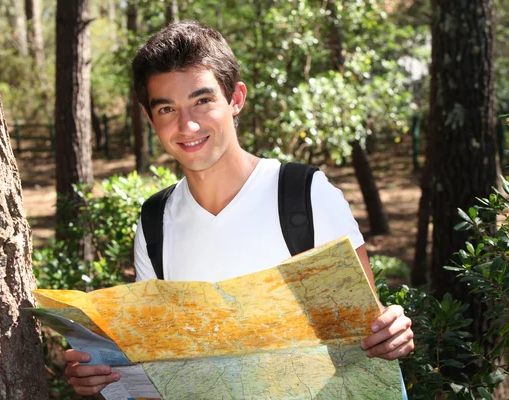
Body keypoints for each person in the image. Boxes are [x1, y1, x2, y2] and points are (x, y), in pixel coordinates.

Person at [64, 20, 414, 396]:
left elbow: (368, 330)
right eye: (167, 109)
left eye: (203, 100)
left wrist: (391, 333)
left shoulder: (305, 194)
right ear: (151, 120)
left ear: (236, 99)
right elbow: (159, 369)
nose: (188, 124)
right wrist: (102, 379)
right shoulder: (155, 220)